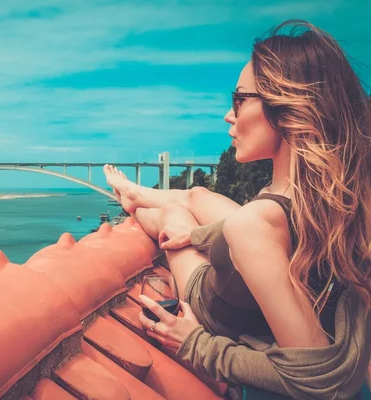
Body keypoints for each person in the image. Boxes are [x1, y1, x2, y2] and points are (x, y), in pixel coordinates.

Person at [104, 20, 371, 399]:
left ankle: (134, 205)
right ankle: (134, 191)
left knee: (171, 218)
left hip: (212, 300)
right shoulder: (329, 200)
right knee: (196, 195)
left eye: (239, 99)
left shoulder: (254, 226)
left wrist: (195, 343)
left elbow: (318, 384)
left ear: (285, 105)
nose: (229, 116)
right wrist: (202, 234)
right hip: (244, 244)